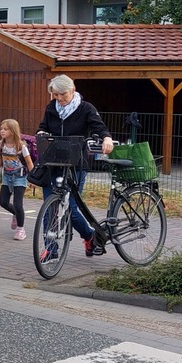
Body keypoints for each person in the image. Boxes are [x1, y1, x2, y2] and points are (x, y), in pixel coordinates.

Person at [37, 74, 115, 256]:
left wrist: (107, 139)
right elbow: (43, 126)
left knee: (70, 208)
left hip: (76, 164)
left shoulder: (86, 108)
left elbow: (99, 127)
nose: (59, 99)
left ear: (72, 90)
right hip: (54, 162)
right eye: (55, 95)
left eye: (62, 94)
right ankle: (50, 249)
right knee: (49, 207)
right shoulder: (51, 108)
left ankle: (90, 236)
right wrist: (41, 132)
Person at [0, 118, 34, 241]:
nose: (2, 131)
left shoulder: (21, 146)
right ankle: (15, 214)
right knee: (3, 202)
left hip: (19, 177)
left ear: (13, 131)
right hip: (7, 176)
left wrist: (33, 179)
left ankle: (21, 229)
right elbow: (0, 158)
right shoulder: (0, 145)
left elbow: (29, 163)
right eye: (1, 129)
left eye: (5, 129)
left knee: (17, 203)